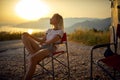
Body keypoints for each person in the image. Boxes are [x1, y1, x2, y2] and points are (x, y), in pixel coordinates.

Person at [21, 13, 64, 80]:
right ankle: (33, 54)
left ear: (57, 20)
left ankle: (33, 57)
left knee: (32, 59)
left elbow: (48, 42)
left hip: (50, 48)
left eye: (52, 18)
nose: (50, 19)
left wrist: (31, 36)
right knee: (24, 36)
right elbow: (41, 41)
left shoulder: (60, 32)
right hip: (42, 47)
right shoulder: (49, 30)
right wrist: (29, 36)